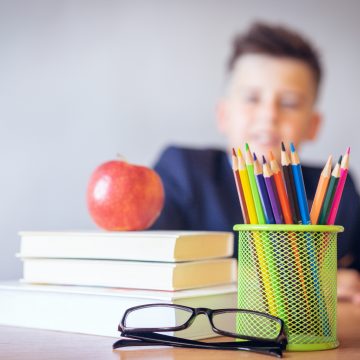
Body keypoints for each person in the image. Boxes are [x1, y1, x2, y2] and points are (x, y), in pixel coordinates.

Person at [151, 22, 360, 303]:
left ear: (313, 125)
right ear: (223, 114)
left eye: (289, 103)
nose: (269, 115)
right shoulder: (183, 170)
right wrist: (304, 284)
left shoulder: (338, 190)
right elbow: (153, 266)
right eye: (252, 98)